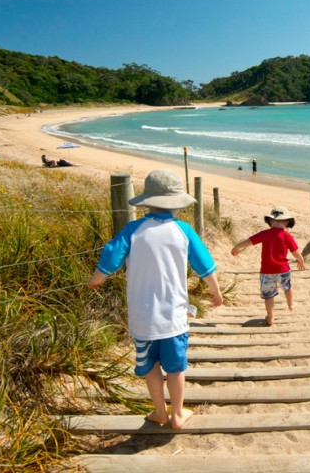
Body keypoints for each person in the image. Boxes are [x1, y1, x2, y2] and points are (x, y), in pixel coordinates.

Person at [86, 169, 222, 430]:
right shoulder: (183, 230)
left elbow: (111, 257)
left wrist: (96, 279)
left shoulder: (133, 230)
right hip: (174, 317)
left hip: (142, 317)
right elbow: (204, 264)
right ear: (177, 203)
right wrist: (216, 292)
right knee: (176, 367)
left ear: (147, 201)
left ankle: (159, 412)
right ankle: (178, 414)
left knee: (149, 366)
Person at [231, 206, 305, 325]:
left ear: (270, 221)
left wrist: (237, 247)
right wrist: (301, 260)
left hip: (267, 271)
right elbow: (295, 251)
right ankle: (291, 304)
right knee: (287, 287)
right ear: (286, 222)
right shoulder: (287, 236)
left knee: (268, 295)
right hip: (283, 269)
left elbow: (249, 241)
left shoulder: (264, 234)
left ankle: (270, 317)